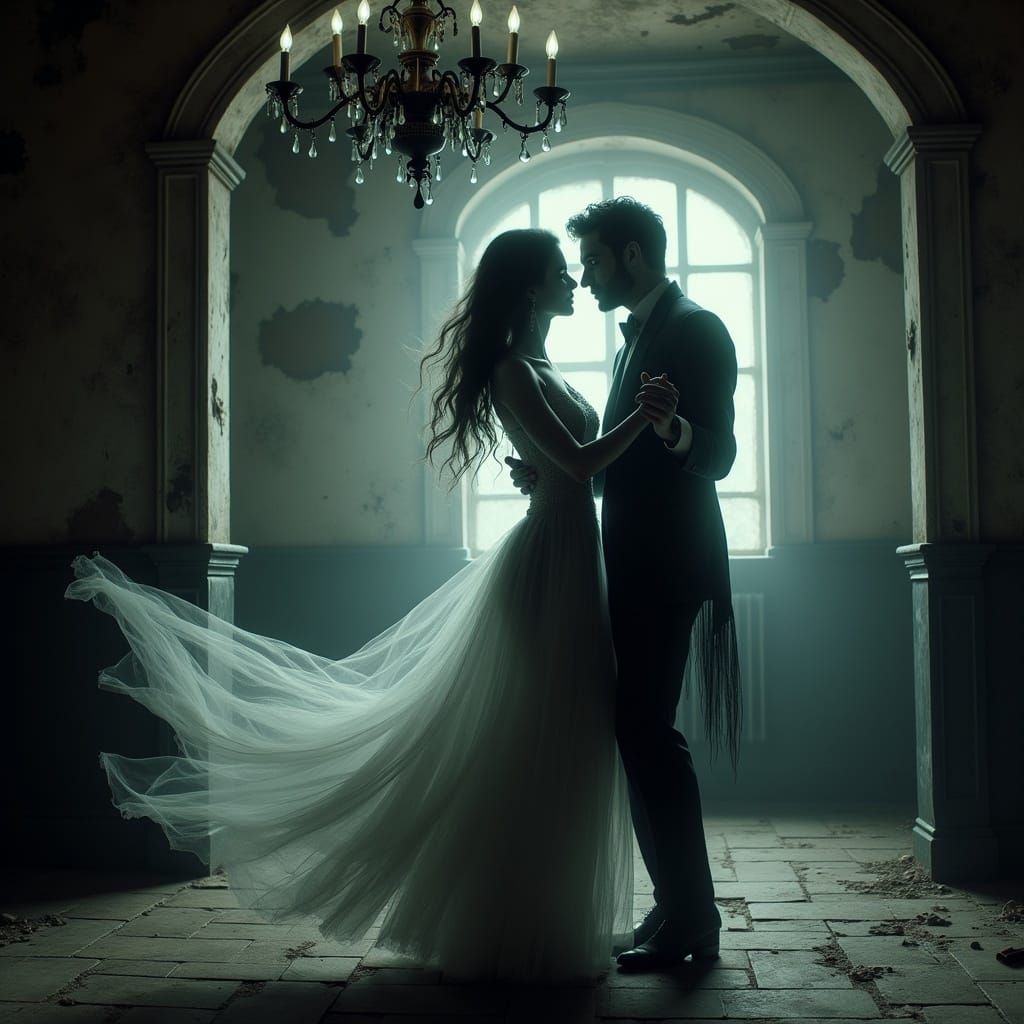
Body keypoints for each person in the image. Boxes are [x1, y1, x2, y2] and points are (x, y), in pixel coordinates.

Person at [65, 228, 672, 984]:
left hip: (574, 552)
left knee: (568, 738)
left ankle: (548, 916)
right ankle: (519, 927)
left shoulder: (540, 365)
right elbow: (579, 465)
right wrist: (641, 423)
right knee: (543, 738)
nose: (574, 283)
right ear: (528, 289)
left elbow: (569, 467)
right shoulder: (515, 369)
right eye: (560, 273)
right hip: (551, 562)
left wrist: (564, 465)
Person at [507, 198, 742, 971]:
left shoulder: (695, 327)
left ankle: (693, 921)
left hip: (669, 565)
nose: (585, 275)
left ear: (633, 256)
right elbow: (613, 467)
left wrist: (672, 428)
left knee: (648, 734)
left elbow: (718, 454)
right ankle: (677, 908)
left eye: (596, 261)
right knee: (639, 734)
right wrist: (548, 472)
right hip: (633, 563)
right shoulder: (638, 336)